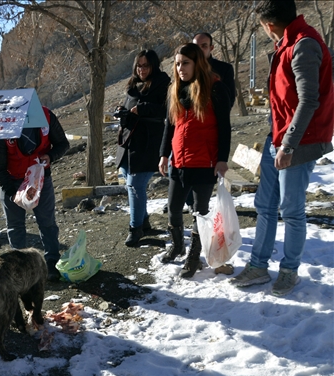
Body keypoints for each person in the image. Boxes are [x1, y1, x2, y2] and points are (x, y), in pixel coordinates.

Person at [231, 0, 333, 296]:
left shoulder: (304, 46)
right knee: (264, 205)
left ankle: (289, 272)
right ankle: (258, 267)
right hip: (277, 138)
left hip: (297, 143)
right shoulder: (286, 44)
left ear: (269, 24)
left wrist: (288, 145)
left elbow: (308, 100)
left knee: (291, 210)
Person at [158, 43, 231, 278]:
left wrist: (222, 159)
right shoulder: (175, 89)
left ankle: (193, 257)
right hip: (179, 162)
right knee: (173, 208)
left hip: (204, 161)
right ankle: (178, 246)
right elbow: (169, 126)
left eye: (185, 63)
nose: (181, 68)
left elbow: (224, 127)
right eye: (177, 63)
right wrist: (163, 155)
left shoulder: (214, 87)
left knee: (200, 212)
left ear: (197, 62)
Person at [0, 106, 70, 281]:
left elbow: (63, 144)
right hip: (12, 180)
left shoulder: (46, 117)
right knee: (15, 226)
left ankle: (52, 264)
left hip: (41, 179)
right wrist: (13, 194)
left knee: (47, 223)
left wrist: (50, 156)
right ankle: (20, 268)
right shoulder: (2, 124)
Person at [115, 49, 171, 246]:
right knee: (132, 184)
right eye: (139, 65)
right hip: (130, 143)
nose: (142, 69)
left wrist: (143, 109)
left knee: (135, 186)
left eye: (146, 65)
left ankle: (135, 228)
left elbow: (167, 110)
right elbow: (128, 107)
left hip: (149, 143)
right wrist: (122, 112)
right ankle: (144, 222)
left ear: (153, 65)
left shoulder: (163, 83)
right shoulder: (133, 85)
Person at [193, 32, 236, 108]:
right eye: (196, 47)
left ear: (211, 48)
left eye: (204, 46)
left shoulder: (224, 68)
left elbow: (230, 97)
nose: (199, 50)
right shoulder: (186, 68)